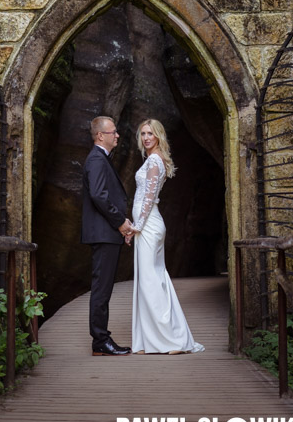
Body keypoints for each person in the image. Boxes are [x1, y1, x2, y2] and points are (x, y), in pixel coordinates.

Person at [127, 119, 204, 354]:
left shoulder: (153, 160)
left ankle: (172, 340)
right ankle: (149, 340)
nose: (146, 137)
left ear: (159, 136)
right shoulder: (154, 159)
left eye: (150, 133)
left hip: (149, 225)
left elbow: (148, 198)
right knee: (151, 280)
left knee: (151, 281)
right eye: (143, 134)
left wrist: (136, 226)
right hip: (148, 225)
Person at [81, 114, 134, 356]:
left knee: (103, 288)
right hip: (104, 233)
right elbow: (99, 196)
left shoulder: (101, 159)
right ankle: (100, 341)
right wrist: (121, 222)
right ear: (101, 135)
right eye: (113, 132)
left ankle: (101, 339)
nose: (117, 135)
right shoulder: (96, 160)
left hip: (105, 233)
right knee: (102, 289)